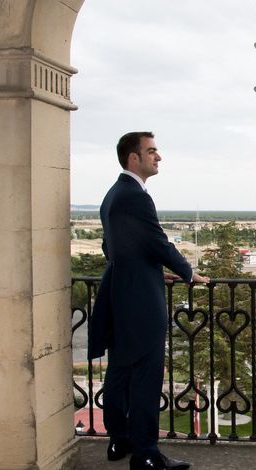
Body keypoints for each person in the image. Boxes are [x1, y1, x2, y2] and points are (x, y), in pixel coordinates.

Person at [88, 132, 210, 470]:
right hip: (140, 300)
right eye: (152, 151)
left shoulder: (112, 195)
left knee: (121, 370)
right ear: (134, 158)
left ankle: (119, 440)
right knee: (145, 375)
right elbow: (157, 242)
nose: (159, 157)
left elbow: (112, 248)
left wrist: (150, 271)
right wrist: (187, 272)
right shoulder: (137, 197)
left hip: (120, 291)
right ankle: (145, 454)